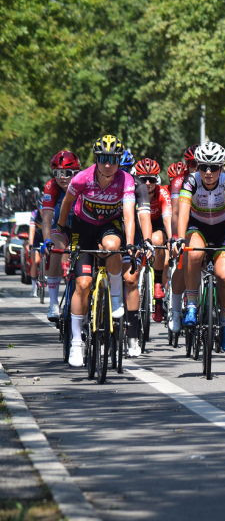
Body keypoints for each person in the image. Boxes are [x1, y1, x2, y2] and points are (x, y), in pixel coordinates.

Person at [53, 135, 136, 367]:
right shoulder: (82, 178)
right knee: (83, 284)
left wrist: (130, 242)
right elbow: (67, 204)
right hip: (84, 226)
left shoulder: (126, 180)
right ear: (96, 159)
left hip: (110, 224)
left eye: (113, 159)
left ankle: (116, 298)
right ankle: (76, 342)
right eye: (102, 158)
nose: (107, 164)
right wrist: (61, 228)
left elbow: (129, 214)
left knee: (113, 247)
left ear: (118, 161)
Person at [174, 142, 225, 352]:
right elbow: (183, 213)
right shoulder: (190, 181)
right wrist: (179, 238)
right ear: (197, 167)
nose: (209, 172)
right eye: (203, 167)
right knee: (193, 254)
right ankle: (191, 304)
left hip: (223, 230)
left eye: (214, 167)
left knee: (224, 276)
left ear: (221, 167)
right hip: (198, 227)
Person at [119, 151, 153, 357]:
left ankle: (132, 336)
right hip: (107, 231)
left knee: (131, 279)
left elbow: (144, 216)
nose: (121, 173)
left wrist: (147, 241)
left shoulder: (138, 185)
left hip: (132, 234)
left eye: (126, 169)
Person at [42, 151, 80, 321]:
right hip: (61, 228)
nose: (62, 177)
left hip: (82, 228)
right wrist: (47, 241)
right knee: (55, 249)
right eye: (57, 173)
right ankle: (53, 303)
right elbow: (46, 218)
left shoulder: (84, 183)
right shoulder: (51, 186)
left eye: (66, 173)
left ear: (76, 173)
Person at [135, 158, 172, 323]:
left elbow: (168, 218)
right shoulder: (132, 191)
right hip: (138, 226)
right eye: (144, 179)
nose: (148, 183)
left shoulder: (162, 193)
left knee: (157, 240)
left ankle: (158, 286)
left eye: (152, 179)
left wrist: (171, 238)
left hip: (157, 226)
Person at [167, 146, 198, 333]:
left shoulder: (212, 176)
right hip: (186, 223)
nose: (197, 168)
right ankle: (176, 310)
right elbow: (176, 213)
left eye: (200, 163)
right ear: (187, 164)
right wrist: (175, 238)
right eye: (193, 163)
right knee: (182, 263)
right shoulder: (179, 181)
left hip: (208, 221)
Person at [25, 202, 43, 297]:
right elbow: (31, 231)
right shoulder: (34, 214)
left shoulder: (51, 213)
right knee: (35, 261)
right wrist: (31, 245)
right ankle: (34, 287)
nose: (43, 209)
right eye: (41, 207)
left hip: (47, 237)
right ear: (38, 207)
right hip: (37, 238)